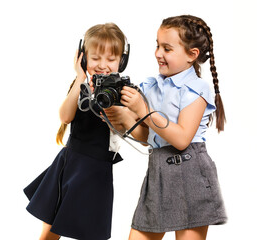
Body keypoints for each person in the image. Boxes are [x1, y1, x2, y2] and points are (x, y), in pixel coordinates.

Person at [110, 15, 227, 240]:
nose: (158, 53)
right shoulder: (151, 86)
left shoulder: (196, 88)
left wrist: (143, 111)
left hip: (190, 174)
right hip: (158, 173)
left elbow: (182, 138)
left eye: (167, 48)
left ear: (192, 55)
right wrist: (124, 118)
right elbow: (148, 136)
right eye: (157, 45)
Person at [23, 23, 129, 240]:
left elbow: (123, 128)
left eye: (111, 59)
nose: (103, 65)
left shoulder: (124, 92)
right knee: (50, 232)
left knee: (91, 232)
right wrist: (80, 78)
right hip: (70, 165)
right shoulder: (80, 86)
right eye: (96, 58)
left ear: (122, 61)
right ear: (83, 58)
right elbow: (65, 116)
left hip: (97, 171)